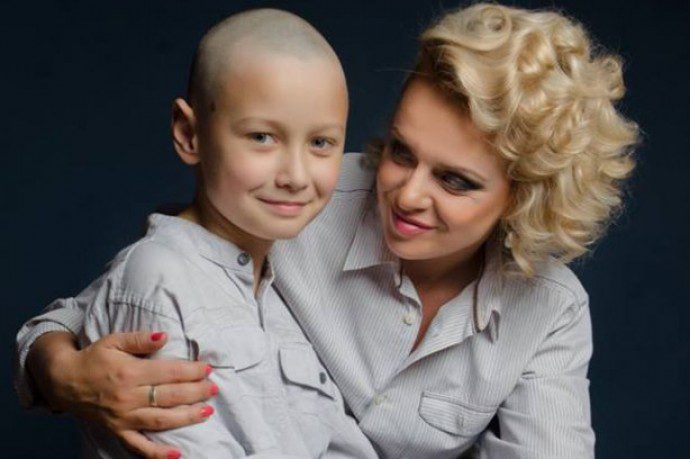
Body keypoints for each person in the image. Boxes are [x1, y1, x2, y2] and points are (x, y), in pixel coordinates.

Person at [15, 3, 639, 458]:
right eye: (401, 151)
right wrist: (62, 374)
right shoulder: (297, 196)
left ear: (524, 198)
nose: (408, 194)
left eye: (455, 181)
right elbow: (122, 299)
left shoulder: (548, 311)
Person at [15, 7, 378, 459]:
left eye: (320, 142)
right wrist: (53, 363)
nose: (296, 176)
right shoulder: (160, 278)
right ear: (189, 134)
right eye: (262, 137)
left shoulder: (279, 273)